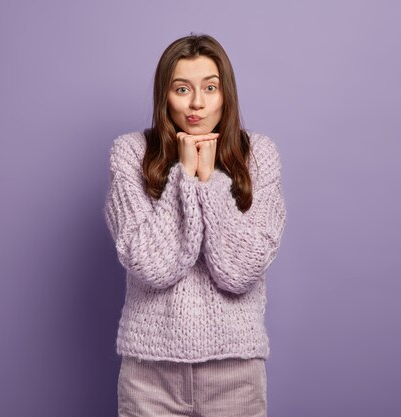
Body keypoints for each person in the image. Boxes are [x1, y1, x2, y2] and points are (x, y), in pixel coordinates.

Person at [104, 33, 286, 417]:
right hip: (149, 376)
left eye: (210, 87)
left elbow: (240, 271)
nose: (197, 103)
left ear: (226, 95)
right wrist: (184, 176)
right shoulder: (131, 153)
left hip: (234, 373)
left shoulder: (259, 156)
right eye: (182, 88)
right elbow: (152, 265)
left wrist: (210, 181)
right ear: (164, 96)